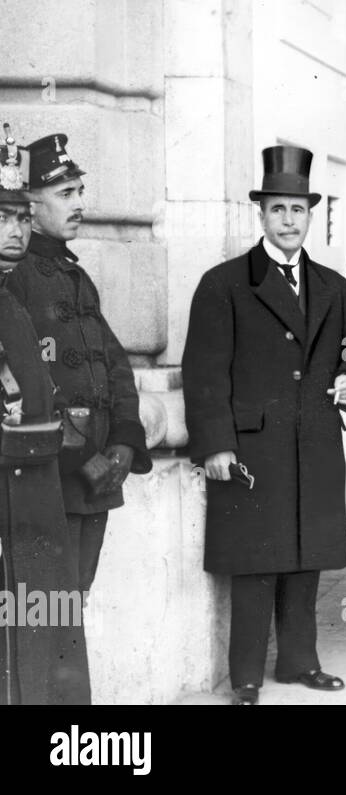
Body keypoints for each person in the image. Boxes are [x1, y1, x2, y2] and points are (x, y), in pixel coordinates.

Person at [183, 145, 346, 705]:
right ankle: (247, 678)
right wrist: (214, 443)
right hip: (254, 448)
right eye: (278, 210)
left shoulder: (333, 286)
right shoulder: (225, 283)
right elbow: (204, 371)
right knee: (257, 563)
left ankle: (300, 663)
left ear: (311, 215)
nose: (289, 221)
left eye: (298, 210)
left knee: (306, 558)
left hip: (313, 441)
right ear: (261, 215)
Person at [5, 133, 152, 594]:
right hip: (50, 470)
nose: (79, 203)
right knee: (41, 603)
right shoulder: (14, 277)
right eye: (65, 194)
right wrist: (83, 457)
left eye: (79, 191)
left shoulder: (76, 276)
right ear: (31, 204)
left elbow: (114, 366)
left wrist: (126, 438)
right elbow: (20, 385)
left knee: (75, 595)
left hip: (99, 471)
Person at [0, 126, 91, 705]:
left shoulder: (9, 297)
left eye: (17, 217)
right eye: (2, 217)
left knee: (40, 636)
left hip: (30, 493)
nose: (14, 230)